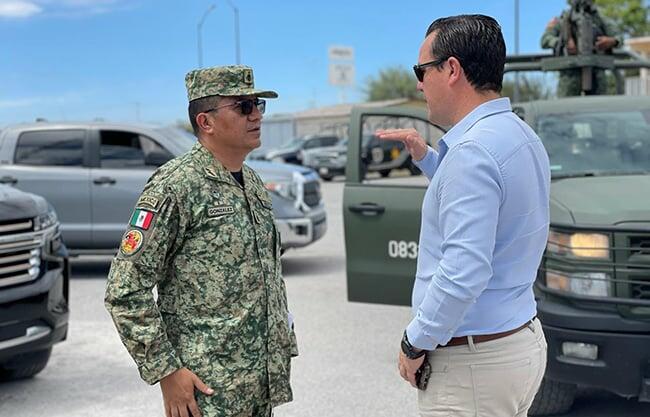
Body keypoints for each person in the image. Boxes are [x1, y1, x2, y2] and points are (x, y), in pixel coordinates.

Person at [376, 15, 550, 417]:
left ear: (451, 69)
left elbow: (463, 271)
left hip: (474, 366)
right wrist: (428, 159)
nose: (419, 84)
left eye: (422, 71)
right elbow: (494, 206)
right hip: (517, 343)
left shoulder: (472, 153)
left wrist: (414, 342)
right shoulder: (518, 134)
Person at [104, 65, 297, 417]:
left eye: (257, 105)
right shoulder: (175, 186)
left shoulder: (251, 182)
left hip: (258, 384)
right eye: (243, 107)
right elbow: (125, 291)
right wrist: (166, 371)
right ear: (206, 122)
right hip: (207, 391)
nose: (256, 115)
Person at [541, 0, 621, 96]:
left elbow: (618, 37)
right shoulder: (563, 20)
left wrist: (611, 41)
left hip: (596, 73)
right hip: (570, 74)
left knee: (598, 107)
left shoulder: (599, 19)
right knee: (566, 108)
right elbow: (545, 40)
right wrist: (563, 42)